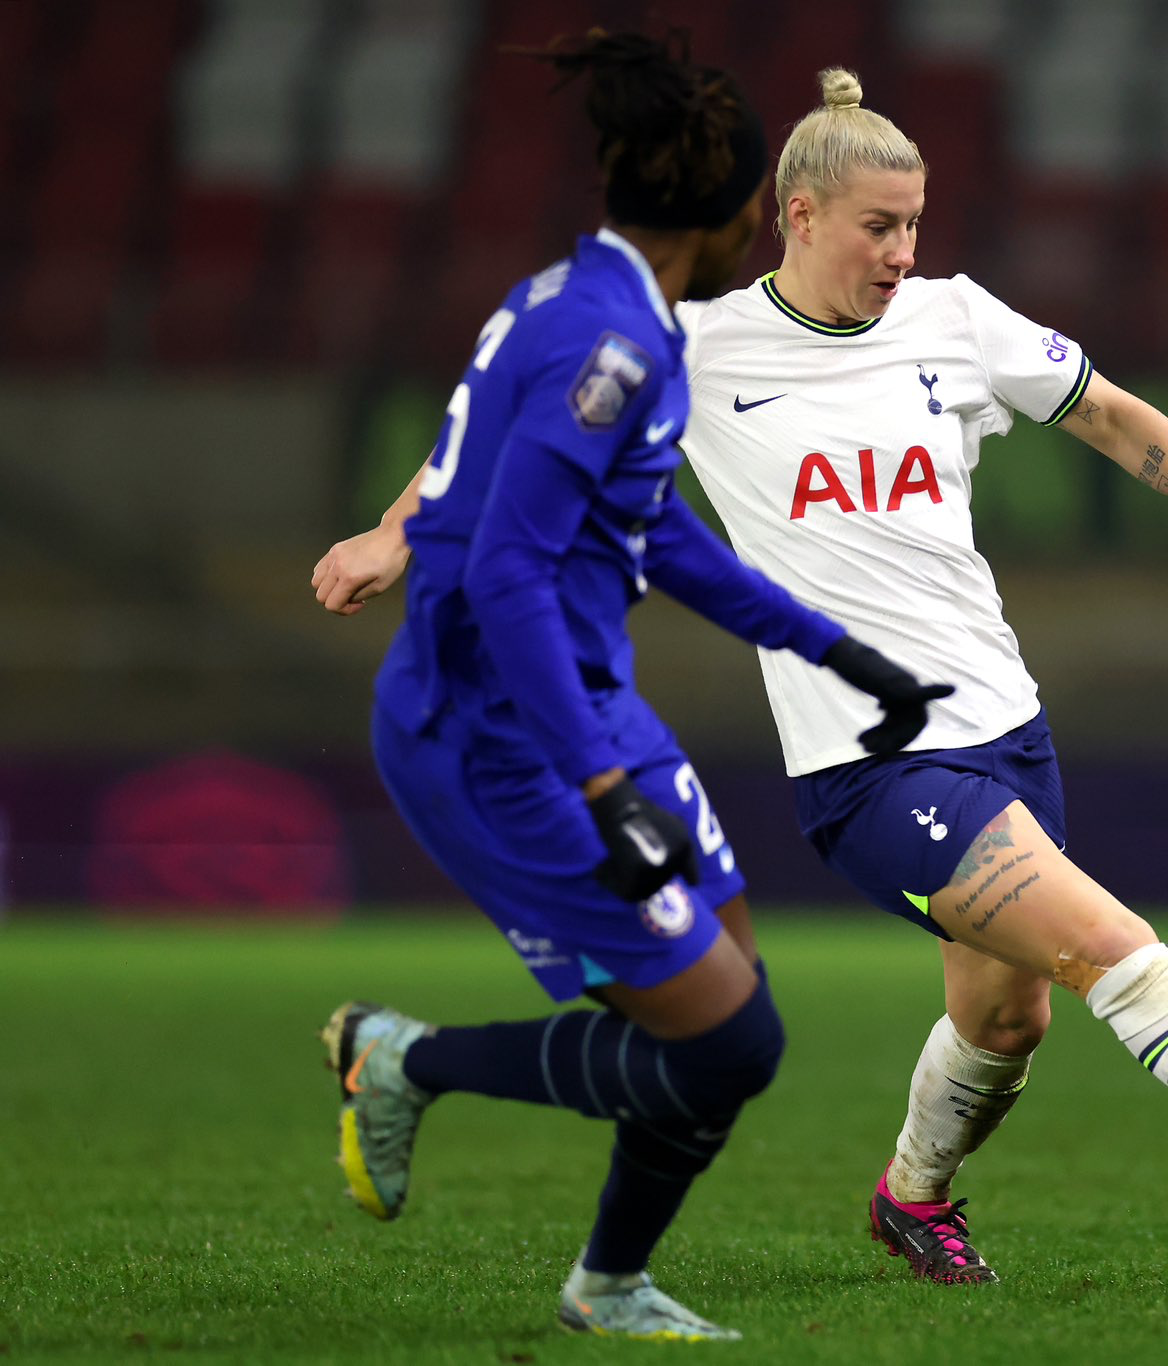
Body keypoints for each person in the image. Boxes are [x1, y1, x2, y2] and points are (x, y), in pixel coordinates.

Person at [325, 67, 1168, 1289]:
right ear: (801, 214)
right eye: (879, 226)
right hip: (872, 766)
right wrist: (392, 536)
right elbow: (506, 428)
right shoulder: (694, 347)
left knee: (1006, 1019)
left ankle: (908, 1199)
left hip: (1008, 729)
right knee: (1110, 946)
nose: (901, 251)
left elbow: (1114, 417)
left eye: (915, 225)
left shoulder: (956, 320)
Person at [307, 35, 949, 1341]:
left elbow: (654, 535)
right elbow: (506, 573)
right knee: (731, 1043)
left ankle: (609, 1280)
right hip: (497, 739)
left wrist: (835, 648)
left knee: (733, 1004)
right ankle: (401, 1059)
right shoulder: (610, 349)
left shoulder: (598, 306)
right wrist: (604, 789)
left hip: (584, 709)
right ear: (727, 222)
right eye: (758, 216)